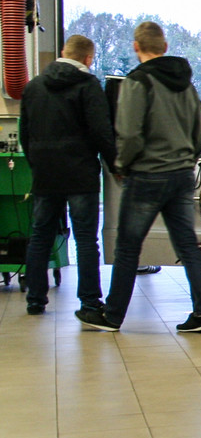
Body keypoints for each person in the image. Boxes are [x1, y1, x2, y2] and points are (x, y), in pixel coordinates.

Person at [77, 21, 201, 333]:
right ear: (165, 47)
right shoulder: (187, 86)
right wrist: (186, 159)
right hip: (181, 174)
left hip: (147, 176)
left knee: (128, 248)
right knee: (187, 245)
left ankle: (112, 316)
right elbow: (198, 135)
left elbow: (130, 134)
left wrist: (122, 165)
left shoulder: (137, 82)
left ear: (136, 47)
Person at [18, 34, 117, 316]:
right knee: (85, 239)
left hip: (45, 174)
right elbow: (101, 131)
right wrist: (114, 164)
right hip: (80, 173)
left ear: (63, 52)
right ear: (88, 58)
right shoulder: (88, 86)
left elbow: (25, 133)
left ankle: (35, 299)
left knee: (40, 236)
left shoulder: (33, 87)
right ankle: (89, 301)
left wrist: (36, 164)